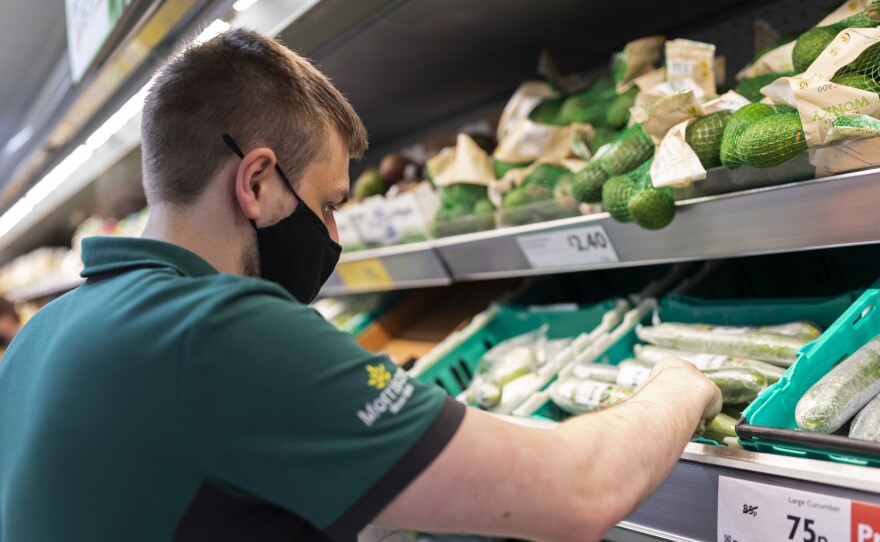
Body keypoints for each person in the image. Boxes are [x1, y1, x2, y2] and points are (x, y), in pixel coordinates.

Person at [0, 29, 721, 542]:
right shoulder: (220, 329)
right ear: (255, 182)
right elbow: (580, 492)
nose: (334, 237)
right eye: (329, 203)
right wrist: (678, 385)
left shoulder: (39, 336)